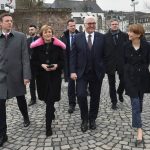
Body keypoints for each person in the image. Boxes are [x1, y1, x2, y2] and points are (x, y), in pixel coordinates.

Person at [0, 13, 31, 147]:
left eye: (11, 21)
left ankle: (25, 116)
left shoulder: (21, 37)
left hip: (17, 75)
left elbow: (25, 57)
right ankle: (3, 133)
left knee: (21, 99)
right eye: (7, 21)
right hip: (1, 77)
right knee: (0, 106)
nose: (10, 23)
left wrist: (26, 76)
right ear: (0, 23)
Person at [70, 16, 105, 132]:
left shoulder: (101, 37)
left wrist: (103, 69)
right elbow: (73, 56)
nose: (91, 25)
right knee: (80, 95)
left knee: (95, 97)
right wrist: (73, 71)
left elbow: (105, 56)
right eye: (89, 23)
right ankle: (84, 119)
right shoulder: (77, 37)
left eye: (93, 23)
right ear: (84, 24)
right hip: (81, 73)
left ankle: (92, 119)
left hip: (96, 73)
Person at [30, 25, 65, 137]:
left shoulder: (58, 47)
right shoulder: (36, 47)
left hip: (54, 76)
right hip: (42, 77)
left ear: (52, 33)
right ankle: (52, 109)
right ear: (42, 34)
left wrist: (57, 65)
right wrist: (42, 65)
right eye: (45, 32)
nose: (48, 34)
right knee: (46, 99)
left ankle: (48, 126)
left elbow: (63, 61)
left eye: (49, 32)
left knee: (50, 100)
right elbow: (33, 62)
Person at [123, 24, 150, 147]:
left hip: (143, 79)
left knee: (139, 103)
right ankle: (139, 131)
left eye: (131, 32)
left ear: (138, 34)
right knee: (135, 104)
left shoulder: (147, 46)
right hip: (130, 79)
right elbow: (123, 63)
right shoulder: (125, 46)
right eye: (129, 31)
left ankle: (137, 118)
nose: (129, 33)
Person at [104, 18, 128, 110]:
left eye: (116, 24)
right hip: (110, 63)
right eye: (113, 24)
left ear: (118, 25)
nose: (115, 25)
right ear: (110, 25)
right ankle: (114, 102)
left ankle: (120, 92)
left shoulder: (124, 36)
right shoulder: (105, 36)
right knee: (111, 84)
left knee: (124, 81)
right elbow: (103, 51)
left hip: (122, 63)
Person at [60, 19, 79, 114]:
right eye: (71, 26)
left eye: (74, 25)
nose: (73, 27)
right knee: (71, 85)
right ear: (67, 26)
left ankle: (81, 99)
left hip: (80, 64)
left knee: (80, 85)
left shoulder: (80, 36)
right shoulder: (63, 37)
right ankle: (72, 103)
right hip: (68, 65)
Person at [27, 25, 39, 106]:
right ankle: (33, 99)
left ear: (36, 30)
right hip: (30, 65)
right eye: (30, 30)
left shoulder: (40, 39)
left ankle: (44, 96)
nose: (31, 31)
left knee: (41, 82)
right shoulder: (27, 40)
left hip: (39, 64)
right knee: (31, 83)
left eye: (32, 29)